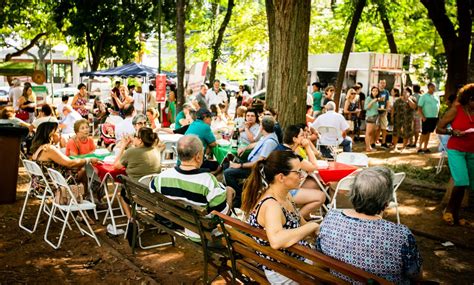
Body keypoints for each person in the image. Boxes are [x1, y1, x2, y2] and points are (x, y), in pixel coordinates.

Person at [317, 166, 422, 283]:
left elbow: (320, 254)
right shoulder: (400, 235)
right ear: (387, 202)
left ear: (353, 194)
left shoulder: (331, 217)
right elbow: (414, 274)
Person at [241, 150, 319, 284]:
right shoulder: (272, 205)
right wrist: (313, 225)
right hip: (285, 271)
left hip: (290, 262)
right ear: (281, 177)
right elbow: (276, 240)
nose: (302, 176)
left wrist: (316, 231)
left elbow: (299, 220)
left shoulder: (285, 195)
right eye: (298, 172)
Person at [150, 135, 234, 240]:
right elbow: (223, 214)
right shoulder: (208, 181)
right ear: (198, 156)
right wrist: (229, 193)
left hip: (175, 224)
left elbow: (151, 188)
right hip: (201, 233)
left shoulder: (162, 177)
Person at [437, 83, 474, 226]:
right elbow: (439, 129)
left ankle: (457, 215)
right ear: (469, 99)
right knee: (461, 181)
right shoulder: (455, 110)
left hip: (471, 151)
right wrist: (452, 132)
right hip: (456, 150)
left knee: (468, 184)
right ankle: (449, 211)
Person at [224, 116, 279, 207]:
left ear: (262, 127)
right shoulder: (267, 136)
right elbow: (256, 144)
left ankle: (239, 198)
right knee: (226, 163)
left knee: (228, 173)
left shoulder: (270, 142)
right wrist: (244, 148)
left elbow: (259, 162)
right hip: (250, 162)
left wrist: (240, 165)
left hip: (255, 169)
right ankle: (237, 190)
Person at [31, 122, 100, 191]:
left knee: (78, 168)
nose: (60, 135)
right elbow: (69, 163)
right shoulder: (49, 149)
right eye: (58, 132)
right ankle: (85, 195)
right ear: (51, 134)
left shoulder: (38, 147)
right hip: (50, 185)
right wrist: (88, 160)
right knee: (82, 170)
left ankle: (84, 194)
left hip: (40, 183)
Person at [279, 125, 326, 219]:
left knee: (317, 184)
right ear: (295, 139)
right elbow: (314, 167)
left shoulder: (281, 148)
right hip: (286, 192)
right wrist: (308, 147)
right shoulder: (291, 156)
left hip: (282, 186)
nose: (305, 137)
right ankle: (296, 219)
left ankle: (306, 216)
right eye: (302, 135)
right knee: (321, 196)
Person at [114, 127, 162, 219]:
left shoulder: (131, 152)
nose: (133, 138)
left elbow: (116, 166)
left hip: (136, 193)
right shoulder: (156, 149)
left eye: (135, 136)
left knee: (122, 194)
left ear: (140, 140)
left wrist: (123, 146)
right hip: (153, 192)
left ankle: (131, 219)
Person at [391, 87, 417, 151]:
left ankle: (404, 147)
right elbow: (393, 108)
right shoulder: (398, 99)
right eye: (403, 92)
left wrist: (408, 99)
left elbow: (414, 107)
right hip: (398, 118)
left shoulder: (413, 99)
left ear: (409, 93)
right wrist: (392, 116)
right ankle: (394, 146)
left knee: (406, 133)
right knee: (396, 132)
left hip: (408, 119)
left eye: (406, 92)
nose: (404, 93)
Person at [417, 82, 440, 153]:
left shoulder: (436, 96)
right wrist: (423, 117)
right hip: (426, 117)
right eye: (432, 87)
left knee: (429, 133)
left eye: (434, 87)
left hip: (434, 117)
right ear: (429, 88)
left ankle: (425, 148)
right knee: (424, 133)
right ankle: (420, 148)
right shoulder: (423, 96)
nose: (434, 88)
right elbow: (419, 108)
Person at [376, 79, 390, 148]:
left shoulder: (386, 92)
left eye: (384, 83)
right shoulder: (375, 90)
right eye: (381, 83)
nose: (382, 84)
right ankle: (374, 141)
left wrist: (386, 111)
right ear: (379, 83)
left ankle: (383, 142)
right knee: (376, 127)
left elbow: (387, 102)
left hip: (383, 112)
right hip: (375, 112)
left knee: (384, 127)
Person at [364, 86, 380, 152]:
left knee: (371, 133)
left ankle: (369, 146)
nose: (375, 92)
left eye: (376, 91)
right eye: (374, 90)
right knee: (368, 133)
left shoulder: (376, 99)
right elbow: (366, 107)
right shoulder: (369, 98)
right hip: (370, 117)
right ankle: (367, 148)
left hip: (375, 117)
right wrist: (373, 101)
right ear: (371, 91)